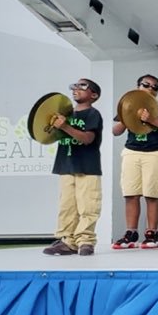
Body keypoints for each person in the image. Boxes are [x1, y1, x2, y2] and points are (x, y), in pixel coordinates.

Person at [110, 75, 158, 250]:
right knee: (130, 193)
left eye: (155, 87)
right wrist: (127, 117)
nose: (150, 88)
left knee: (152, 194)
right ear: (138, 86)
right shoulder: (127, 106)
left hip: (154, 152)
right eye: (145, 84)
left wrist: (152, 120)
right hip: (132, 151)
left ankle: (151, 232)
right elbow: (115, 131)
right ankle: (131, 232)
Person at [42, 79, 104, 256]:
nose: (76, 89)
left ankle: (85, 240)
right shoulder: (65, 114)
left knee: (88, 205)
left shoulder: (93, 114)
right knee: (67, 206)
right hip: (65, 164)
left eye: (82, 86)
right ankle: (67, 240)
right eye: (74, 86)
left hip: (87, 166)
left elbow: (87, 139)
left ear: (94, 95)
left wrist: (65, 127)